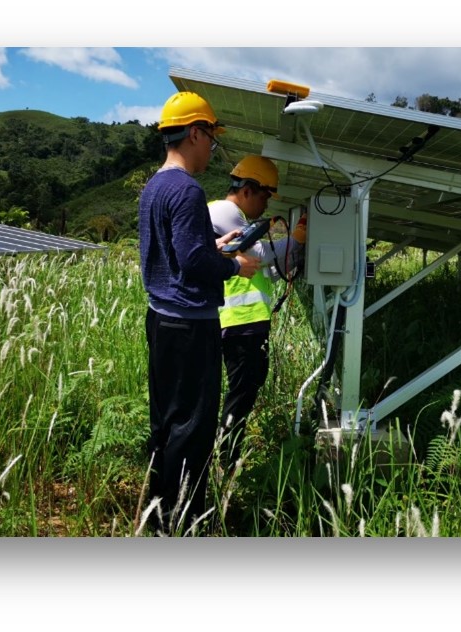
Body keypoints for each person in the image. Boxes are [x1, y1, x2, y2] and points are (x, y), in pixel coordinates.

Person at [138, 92, 260, 535]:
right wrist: (234, 264)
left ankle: (159, 517)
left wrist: (211, 247)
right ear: (195, 132)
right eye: (211, 137)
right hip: (192, 325)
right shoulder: (187, 189)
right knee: (193, 430)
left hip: (162, 320)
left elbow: (174, 254)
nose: (213, 147)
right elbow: (192, 263)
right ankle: (188, 524)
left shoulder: (155, 186)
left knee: (166, 423)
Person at [208, 155, 307, 470]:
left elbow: (265, 268)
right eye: (264, 195)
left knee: (244, 392)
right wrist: (297, 239)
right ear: (248, 189)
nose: (266, 204)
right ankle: (227, 457)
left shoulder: (237, 218)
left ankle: (225, 452)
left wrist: (294, 253)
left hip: (246, 325)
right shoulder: (225, 212)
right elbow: (259, 253)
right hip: (241, 325)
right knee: (241, 394)